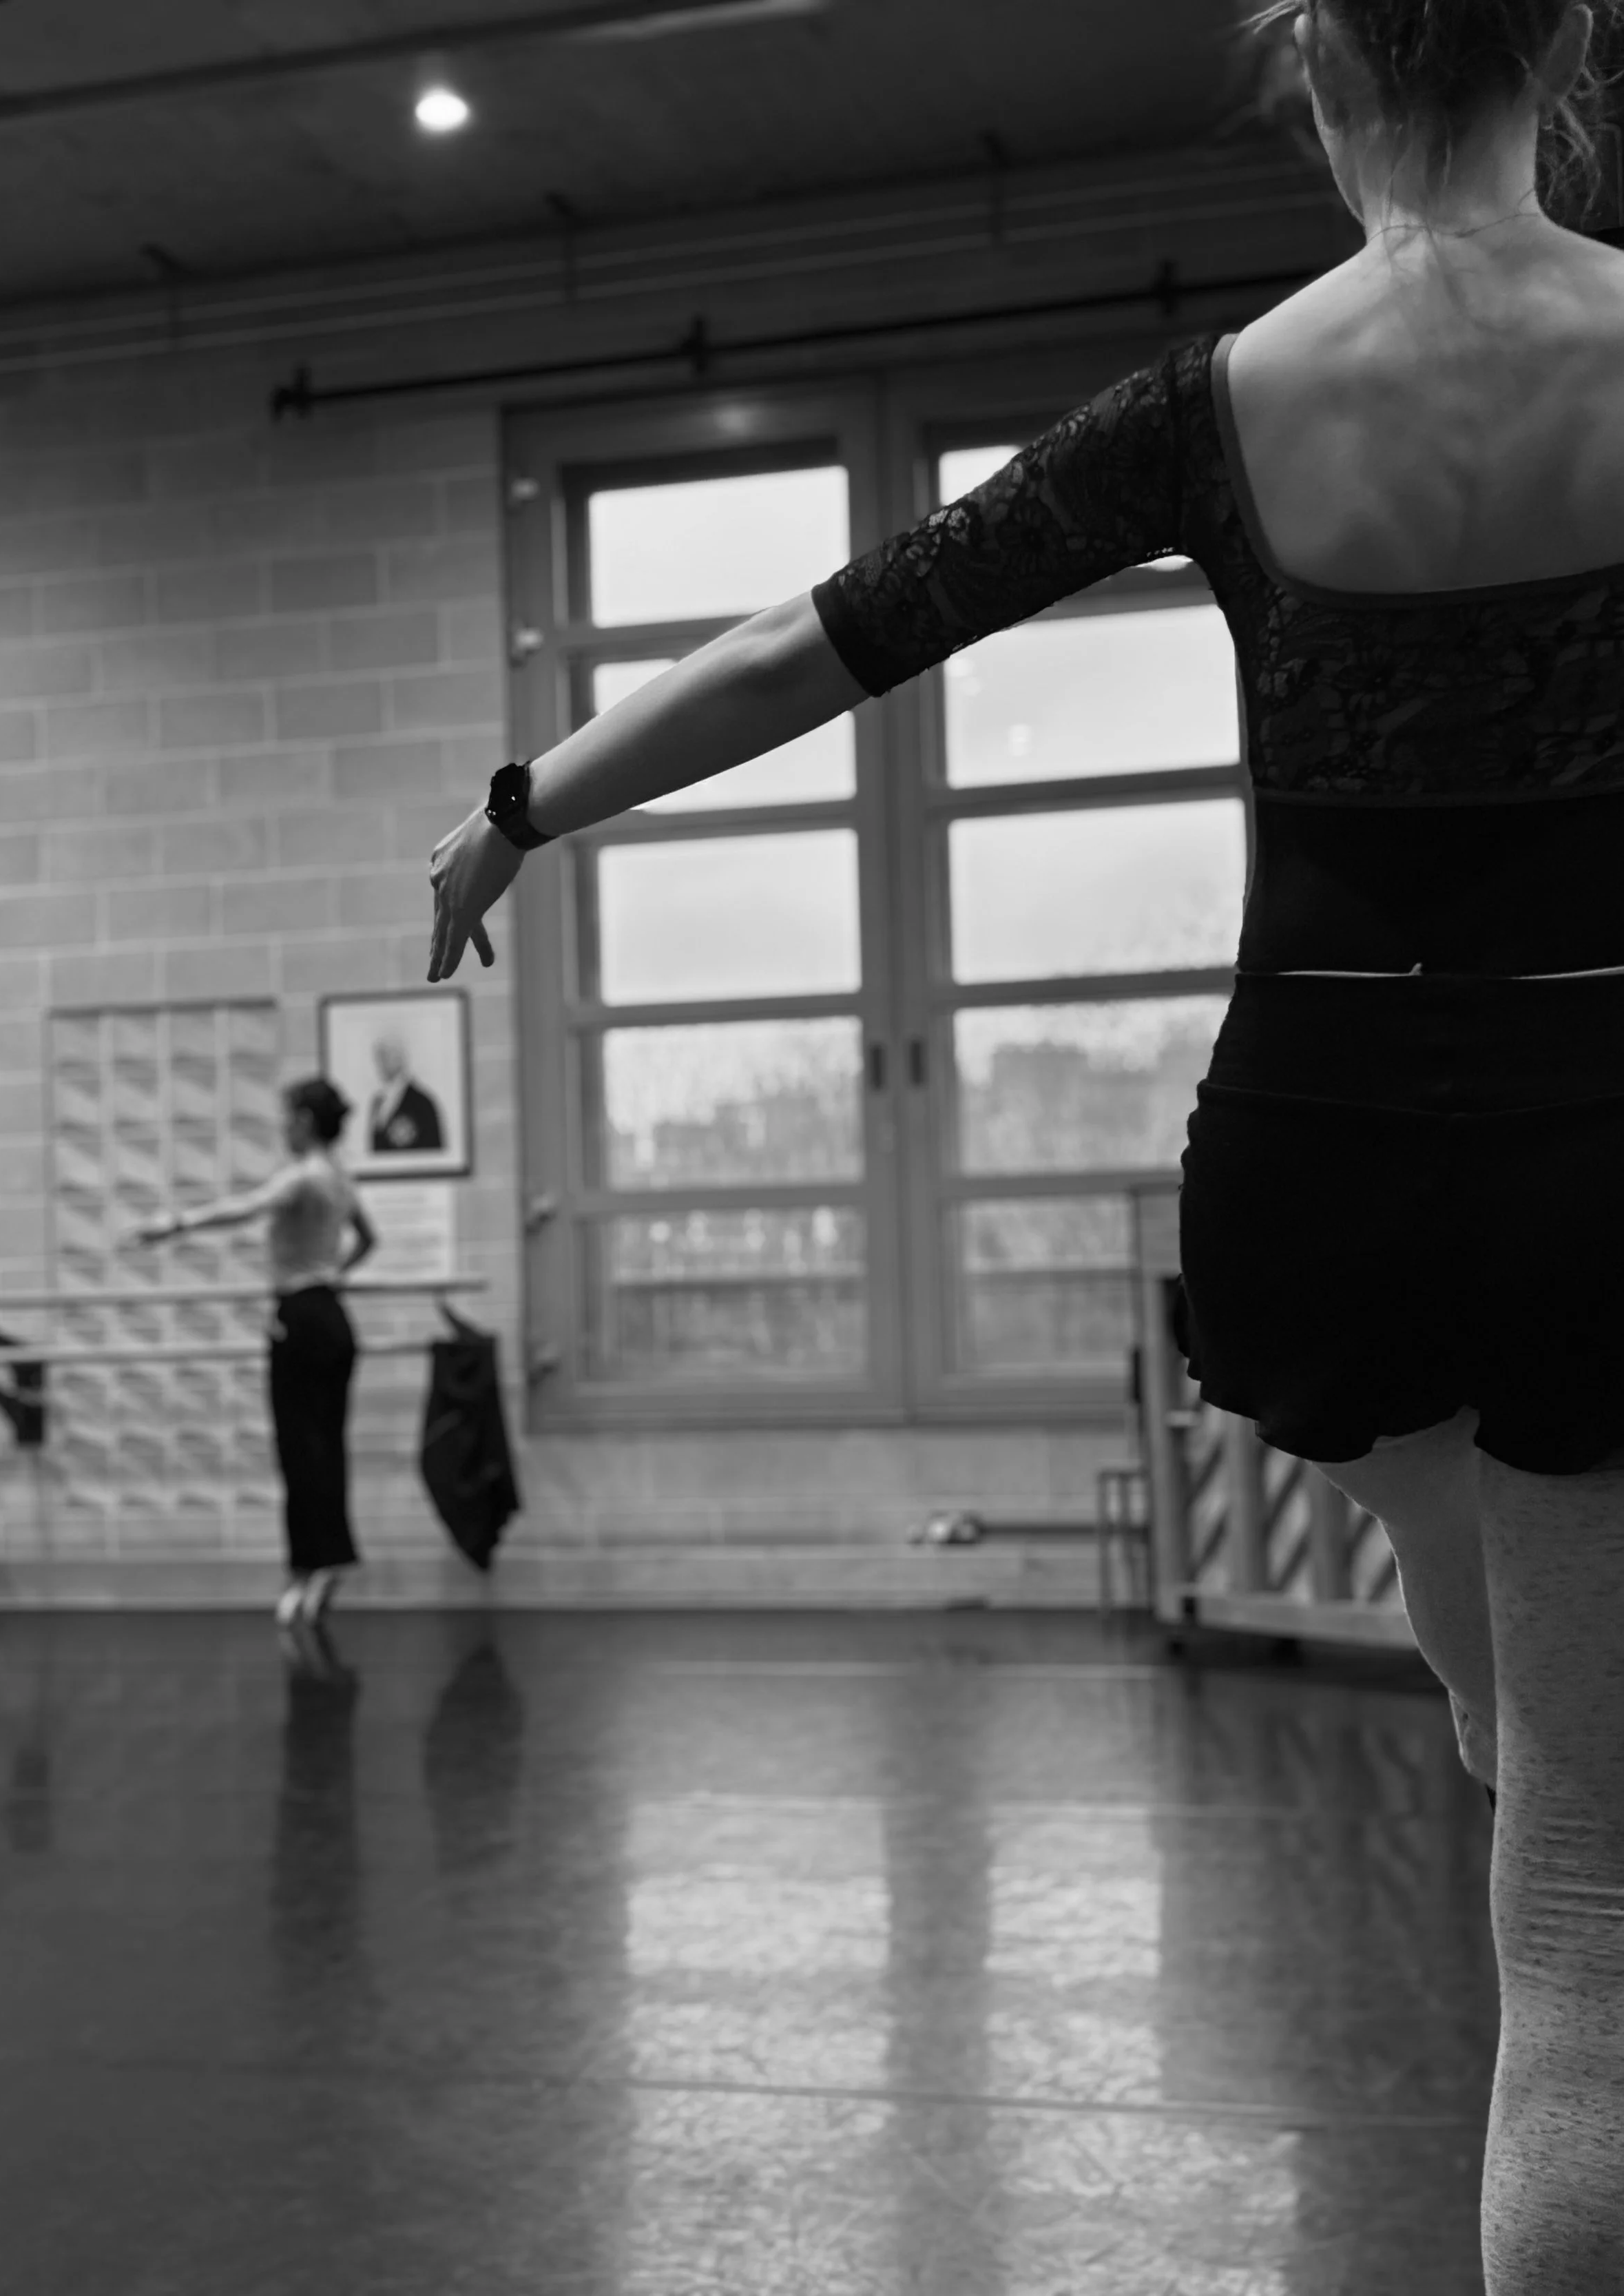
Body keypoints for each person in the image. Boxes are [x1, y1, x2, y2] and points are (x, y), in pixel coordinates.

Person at [426, 5, 1624, 2281]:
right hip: (1590, 1126)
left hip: (1314, 1155)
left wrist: (525, 807)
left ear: (1321, 69)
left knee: (1484, 1647)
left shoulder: (1218, 401)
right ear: (1562, 48)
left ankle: (1502, 1692)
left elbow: (824, 633)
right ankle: (1539, 1728)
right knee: (1582, 1908)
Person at [131, 1077, 377, 1628]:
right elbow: (369, 1239)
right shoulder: (341, 1178)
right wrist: (334, 1273)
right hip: (333, 1316)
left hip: (300, 1318)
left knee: (299, 1449)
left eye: (288, 1117)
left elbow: (245, 1207)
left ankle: (307, 1568)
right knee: (327, 1446)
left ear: (306, 1121)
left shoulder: (304, 1177)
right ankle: (329, 1559)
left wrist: (175, 1224)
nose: (282, 1127)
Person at [368, 1031, 444, 1156]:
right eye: (379, 1057)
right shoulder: (378, 1101)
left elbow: (433, 1151)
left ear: (400, 1058)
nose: (380, 1064)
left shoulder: (422, 1103)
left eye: (385, 1056)